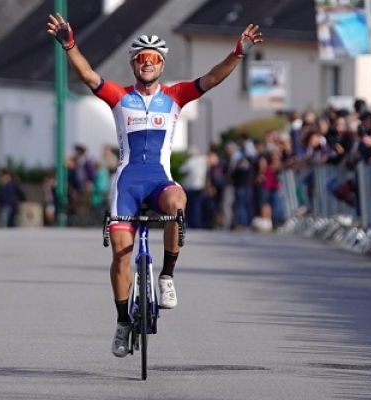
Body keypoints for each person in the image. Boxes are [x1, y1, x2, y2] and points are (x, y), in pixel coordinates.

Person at [47, 12, 263, 358]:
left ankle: (166, 276)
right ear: (134, 65)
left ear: (161, 65)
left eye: (154, 59)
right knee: (121, 253)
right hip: (128, 184)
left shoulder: (175, 96)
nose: (147, 64)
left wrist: (238, 53)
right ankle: (121, 323)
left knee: (178, 202)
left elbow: (211, 78)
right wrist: (69, 44)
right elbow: (88, 76)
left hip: (160, 180)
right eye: (141, 59)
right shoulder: (120, 97)